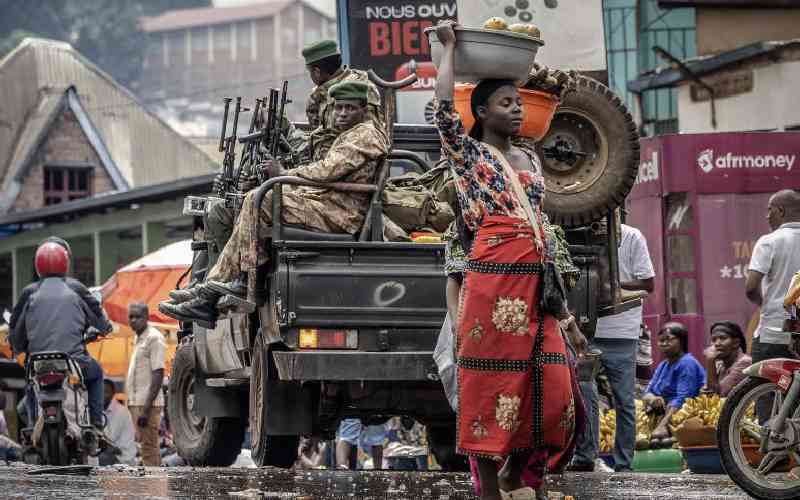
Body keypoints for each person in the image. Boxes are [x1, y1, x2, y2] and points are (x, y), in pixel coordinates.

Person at [433, 21, 584, 500]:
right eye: (505, 103)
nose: (516, 110)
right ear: (481, 111)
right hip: (493, 283)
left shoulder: (531, 160)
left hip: (538, 285)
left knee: (551, 386)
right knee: (490, 388)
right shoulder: (469, 156)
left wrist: (565, 306)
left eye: (519, 103)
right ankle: (488, 488)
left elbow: (542, 226)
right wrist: (449, 50)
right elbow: (441, 112)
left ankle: (519, 474)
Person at [161, 81, 390, 323]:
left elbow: (327, 171)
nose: (342, 113)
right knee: (254, 197)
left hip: (340, 212)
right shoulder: (349, 134)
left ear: (364, 109)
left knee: (261, 199)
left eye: (350, 108)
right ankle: (214, 286)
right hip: (326, 202)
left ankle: (235, 283)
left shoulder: (365, 135)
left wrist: (283, 173)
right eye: (339, 108)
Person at [570, 222, 655, 473]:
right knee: (585, 393)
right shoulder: (580, 235)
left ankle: (623, 464)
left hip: (621, 331)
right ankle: (585, 456)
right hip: (586, 332)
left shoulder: (632, 236)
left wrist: (610, 285)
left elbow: (648, 284)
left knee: (624, 401)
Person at [9, 237, 112, 431]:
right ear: (65, 261)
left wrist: (17, 346)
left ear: (37, 265)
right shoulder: (76, 288)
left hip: (39, 364)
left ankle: (32, 427)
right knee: (97, 374)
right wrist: (105, 328)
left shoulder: (28, 293)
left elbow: (16, 330)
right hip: (74, 362)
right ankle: (96, 425)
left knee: (31, 383)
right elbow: (99, 317)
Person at [746, 190, 800, 370]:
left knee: (763, 391)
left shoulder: (769, 241)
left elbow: (751, 288)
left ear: (781, 211)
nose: (767, 216)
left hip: (773, 333)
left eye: (770, 210)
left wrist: (765, 305)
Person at [643, 322, 706, 439]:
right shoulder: (663, 365)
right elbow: (648, 392)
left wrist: (662, 426)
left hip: (683, 415)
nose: (664, 344)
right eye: (661, 340)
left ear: (681, 341)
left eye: (669, 339)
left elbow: (683, 398)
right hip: (663, 414)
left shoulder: (687, 363)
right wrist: (653, 399)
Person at [126, 302, 166, 466]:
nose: (133, 320)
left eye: (138, 316)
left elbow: (158, 373)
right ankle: (152, 484)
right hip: (137, 403)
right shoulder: (138, 338)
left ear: (146, 317)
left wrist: (146, 409)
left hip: (146, 405)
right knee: (145, 447)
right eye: (131, 316)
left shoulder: (154, 338)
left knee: (149, 448)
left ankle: (154, 486)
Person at [702, 321, 752, 397]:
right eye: (713, 339)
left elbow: (716, 396)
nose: (717, 343)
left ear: (736, 343)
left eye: (722, 338)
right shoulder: (719, 364)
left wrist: (710, 360)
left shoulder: (744, 363)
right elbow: (705, 393)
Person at [99, 379, 137, 465]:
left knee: (95, 459)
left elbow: (110, 438)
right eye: (100, 391)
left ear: (113, 393)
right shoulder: (102, 409)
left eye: (106, 392)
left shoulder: (121, 411)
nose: (102, 395)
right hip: (112, 453)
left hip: (122, 458)